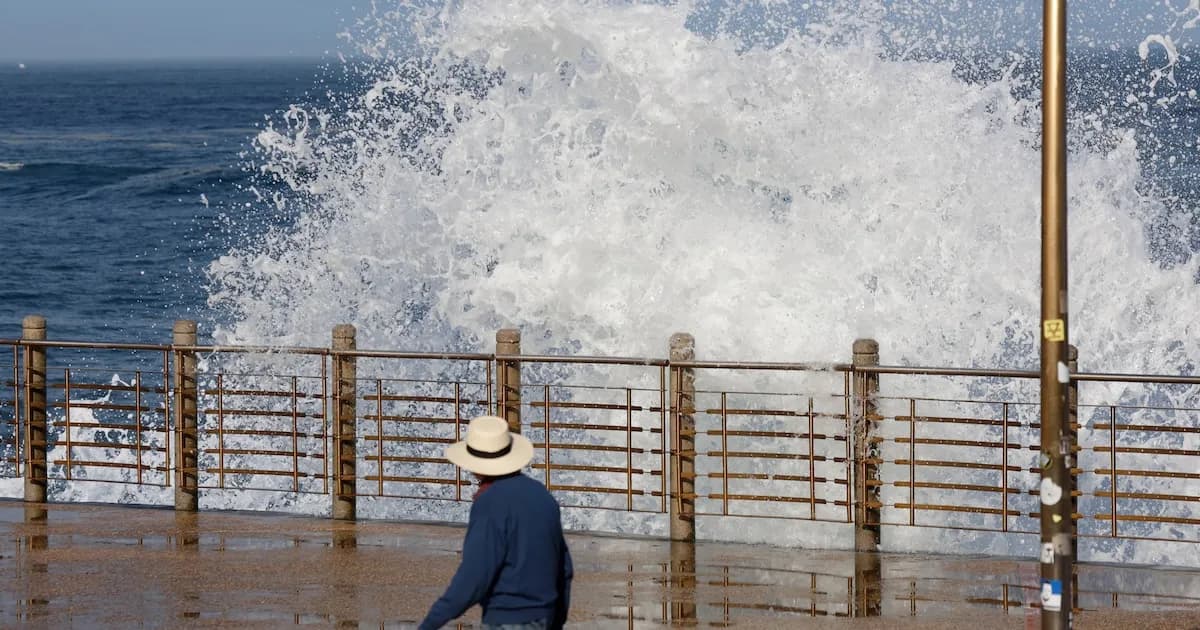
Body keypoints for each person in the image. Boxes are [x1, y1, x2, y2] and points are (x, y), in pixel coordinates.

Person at [419, 415, 573, 630]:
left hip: (506, 618)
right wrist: (556, 620)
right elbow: (564, 568)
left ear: (476, 465)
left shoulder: (490, 503)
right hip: (544, 617)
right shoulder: (542, 495)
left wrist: (430, 623)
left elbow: (475, 575)